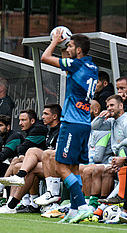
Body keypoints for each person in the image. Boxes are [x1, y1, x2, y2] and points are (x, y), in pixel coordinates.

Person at [41, 30, 98, 223]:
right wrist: (66, 47)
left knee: (60, 165)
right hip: (84, 123)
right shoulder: (92, 66)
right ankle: (74, 210)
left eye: (70, 46)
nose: (67, 48)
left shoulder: (76, 64)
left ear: (79, 50)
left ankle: (82, 205)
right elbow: (71, 72)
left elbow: (45, 57)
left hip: (72, 122)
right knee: (73, 167)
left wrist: (55, 42)